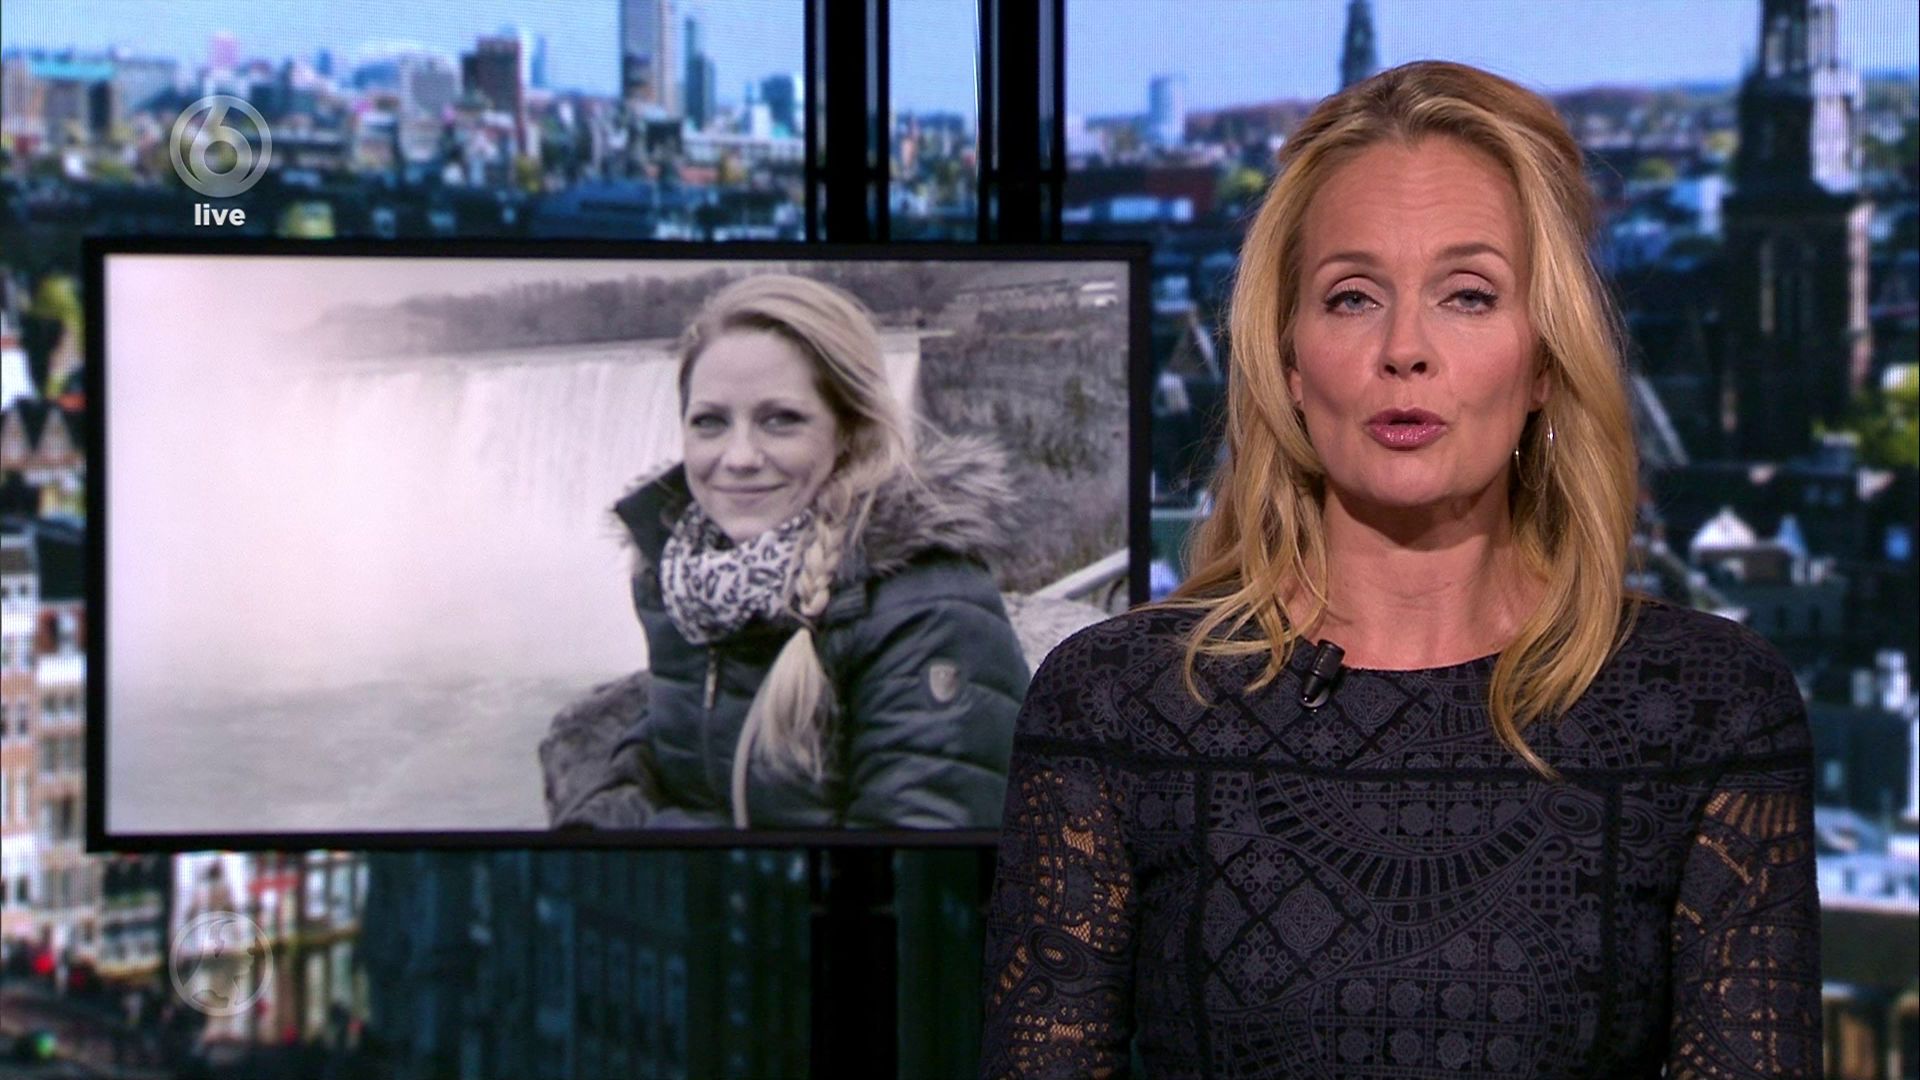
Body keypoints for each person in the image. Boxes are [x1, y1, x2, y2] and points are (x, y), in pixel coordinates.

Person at [980, 61, 1819, 1077]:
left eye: (1467, 295)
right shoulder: (1117, 706)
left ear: (1544, 358)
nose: (1404, 349)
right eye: (1351, 298)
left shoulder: (1705, 708)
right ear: (1291, 360)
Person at [541, 273, 1029, 829]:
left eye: (780, 420)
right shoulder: (689, 579)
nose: (739, 457)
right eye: (710, 422)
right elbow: (677, 741)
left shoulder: (930, 611)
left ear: (850, 431)